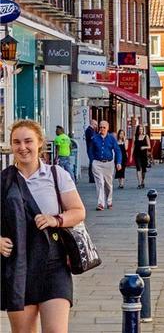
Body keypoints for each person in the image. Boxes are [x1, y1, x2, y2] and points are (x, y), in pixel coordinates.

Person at [1, 119, 87, 333]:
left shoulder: (57, 175)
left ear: (40, 143)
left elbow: (78, 211)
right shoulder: (4, 181)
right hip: (18, 267)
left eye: (28, 141)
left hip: (54, 264)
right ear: (11, 146)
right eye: (16, 142)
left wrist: (55, 219)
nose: (22, 147)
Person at [87, 121, 122, 211]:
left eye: (104, 127)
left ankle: (109, 201)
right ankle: (100, 203)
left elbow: (117, 150)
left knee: (108, 184)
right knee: (100, 183)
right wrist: (92, 160)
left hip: (109, 164)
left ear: (107, 128)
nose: (102, 129)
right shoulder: (94, 138)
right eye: (100, 127)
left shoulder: (111, 138)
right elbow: (90, 150)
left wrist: (118, 162)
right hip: (97, 163)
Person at [83, 119, 97, 183]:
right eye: (95, 124)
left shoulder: (93, 130)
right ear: (92, 123)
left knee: (93, 162)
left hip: (92, 148)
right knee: (92, 162)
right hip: (90, 148)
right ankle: (91, 178)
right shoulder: (89, 130)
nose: (96, 126)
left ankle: (93, 177)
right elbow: (92, 138)